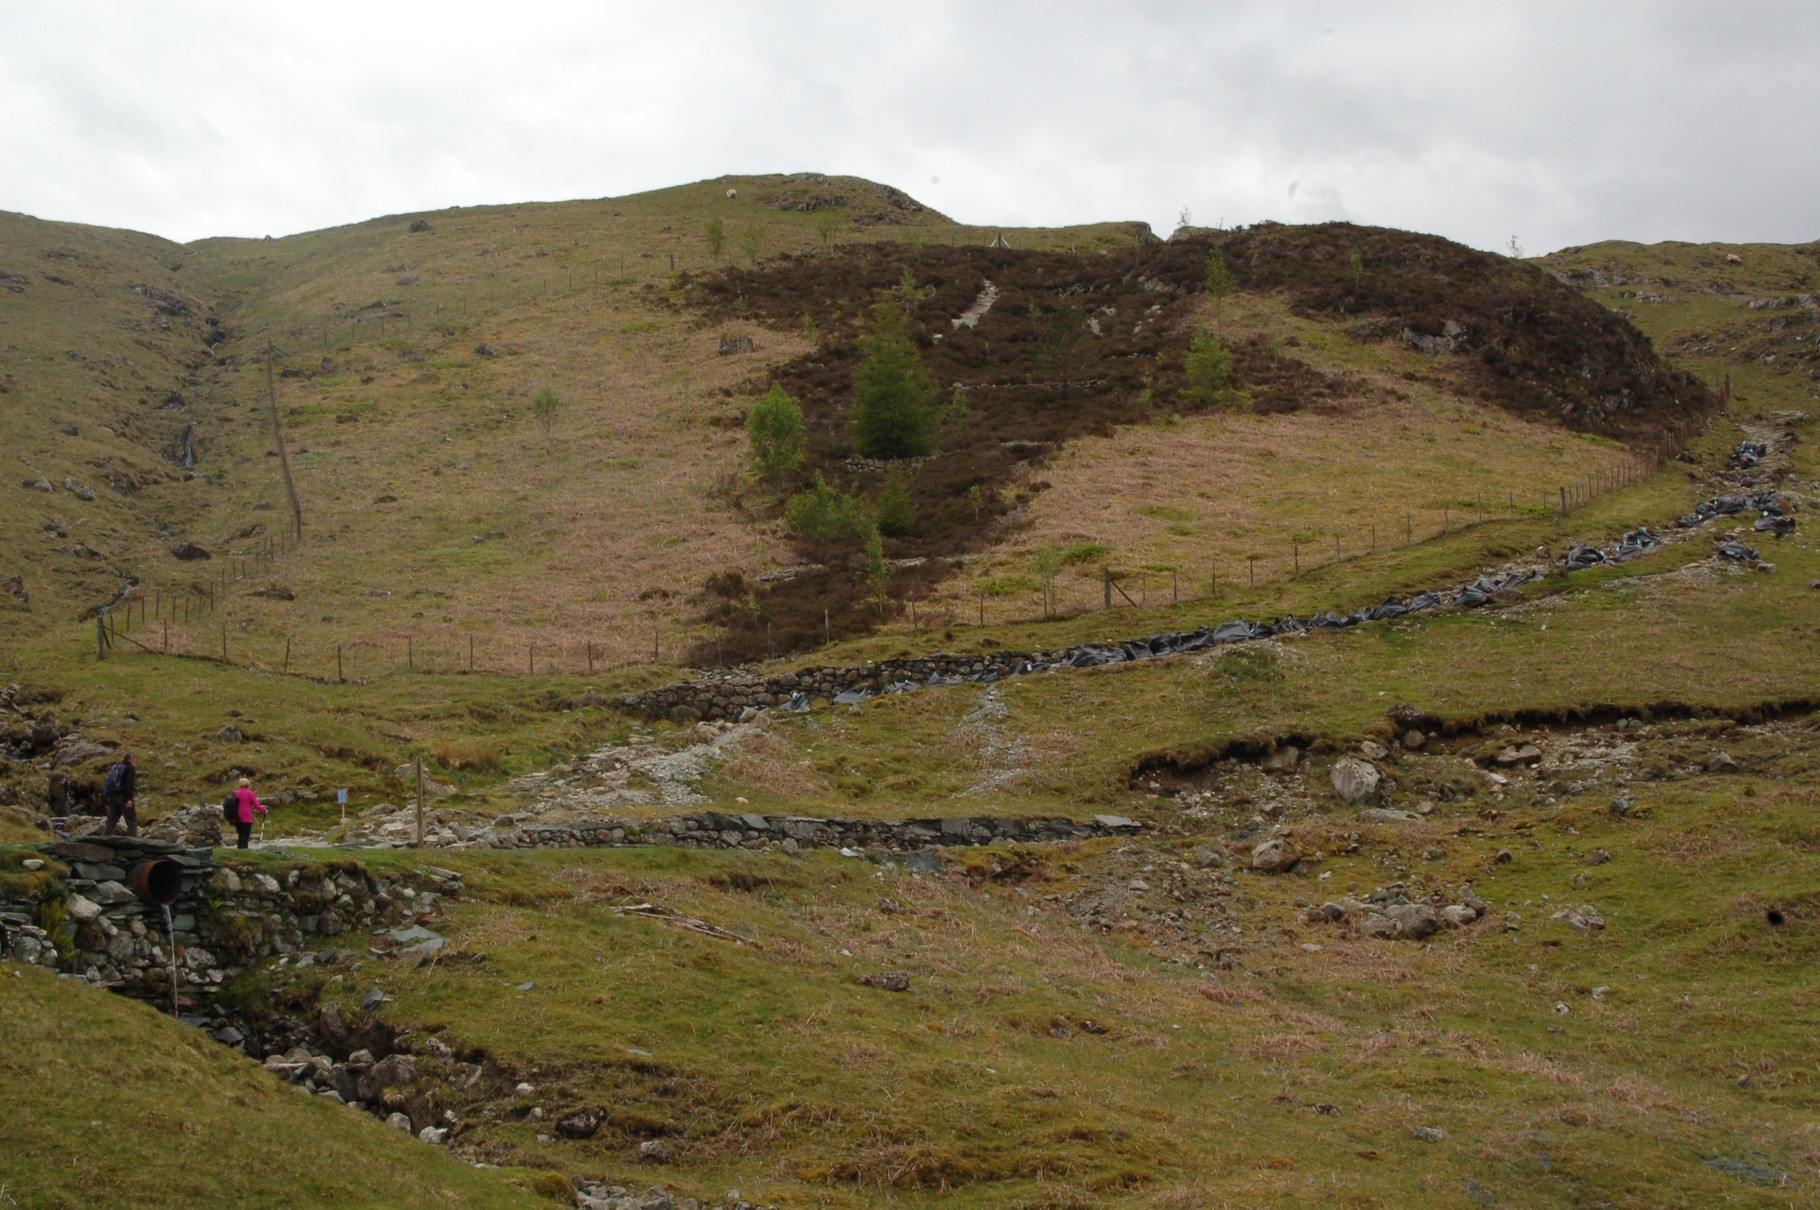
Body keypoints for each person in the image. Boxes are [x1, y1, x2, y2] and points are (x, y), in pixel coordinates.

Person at [102, 752, 138, 837]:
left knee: (110, 821)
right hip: (123, 798)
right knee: (131, 821)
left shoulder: (116, 767)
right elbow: (130, 785)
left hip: (111, 797)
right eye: (134, 759)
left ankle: (103, 839)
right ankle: (132, 843)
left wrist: (106, 799)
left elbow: (107, 783)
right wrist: (128, 799)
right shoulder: (130, 768)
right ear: (131, 759)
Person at [229, 777, 266, 850]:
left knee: (240, 835)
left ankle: (239, 850)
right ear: (248, 785)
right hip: (246, 817)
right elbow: (257, 805)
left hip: (236, 817)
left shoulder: (235, 793)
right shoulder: (250, 793)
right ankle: (244, 850)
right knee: (245, 836)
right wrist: (264, 811)